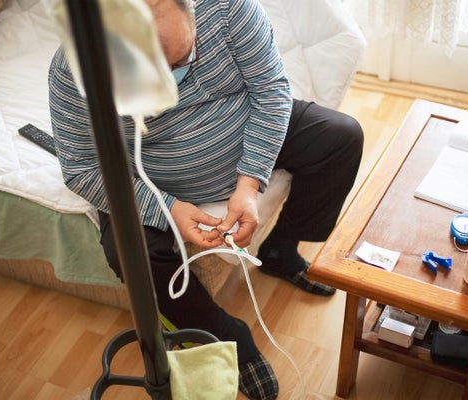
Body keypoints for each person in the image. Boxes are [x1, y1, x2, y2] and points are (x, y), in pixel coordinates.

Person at [48, 0, 363, 398]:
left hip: (241, 127)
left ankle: (282, 250)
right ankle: (227, 337)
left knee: (341, 137)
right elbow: (79, 168)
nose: (173, 81)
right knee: (128, 251)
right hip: (158, 177)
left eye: (181, 59)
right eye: (153, 72)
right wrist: (169, 209)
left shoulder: (231, 9)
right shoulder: (75, 69)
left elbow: (271, 91)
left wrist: (249, 183)